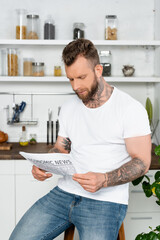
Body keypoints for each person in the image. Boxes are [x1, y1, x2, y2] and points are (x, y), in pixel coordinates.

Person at [9, 39, 151, 240]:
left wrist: (103, 179)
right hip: (64, 193)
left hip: (106, 200)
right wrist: (45, 164)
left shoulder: (130, 109)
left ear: (98, 70)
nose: (76, 86)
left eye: (81, 77)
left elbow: (142, 163)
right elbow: (61, 147)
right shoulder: (69, 107)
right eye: (70, 79)